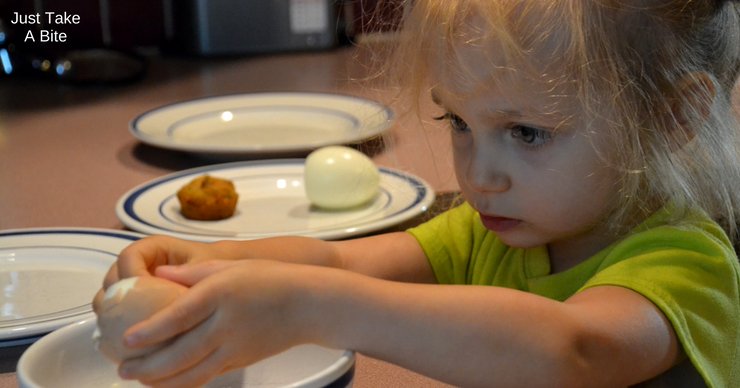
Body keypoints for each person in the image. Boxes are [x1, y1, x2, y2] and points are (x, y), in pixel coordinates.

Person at [95, 1, 740, 387]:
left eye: (527, 132)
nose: (478, 175)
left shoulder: (688, 266)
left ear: (671, 118)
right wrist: (201, 268)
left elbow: (571, 350)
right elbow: (344, 263)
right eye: (459, 122)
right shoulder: (492, 230)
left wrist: (307, 308)